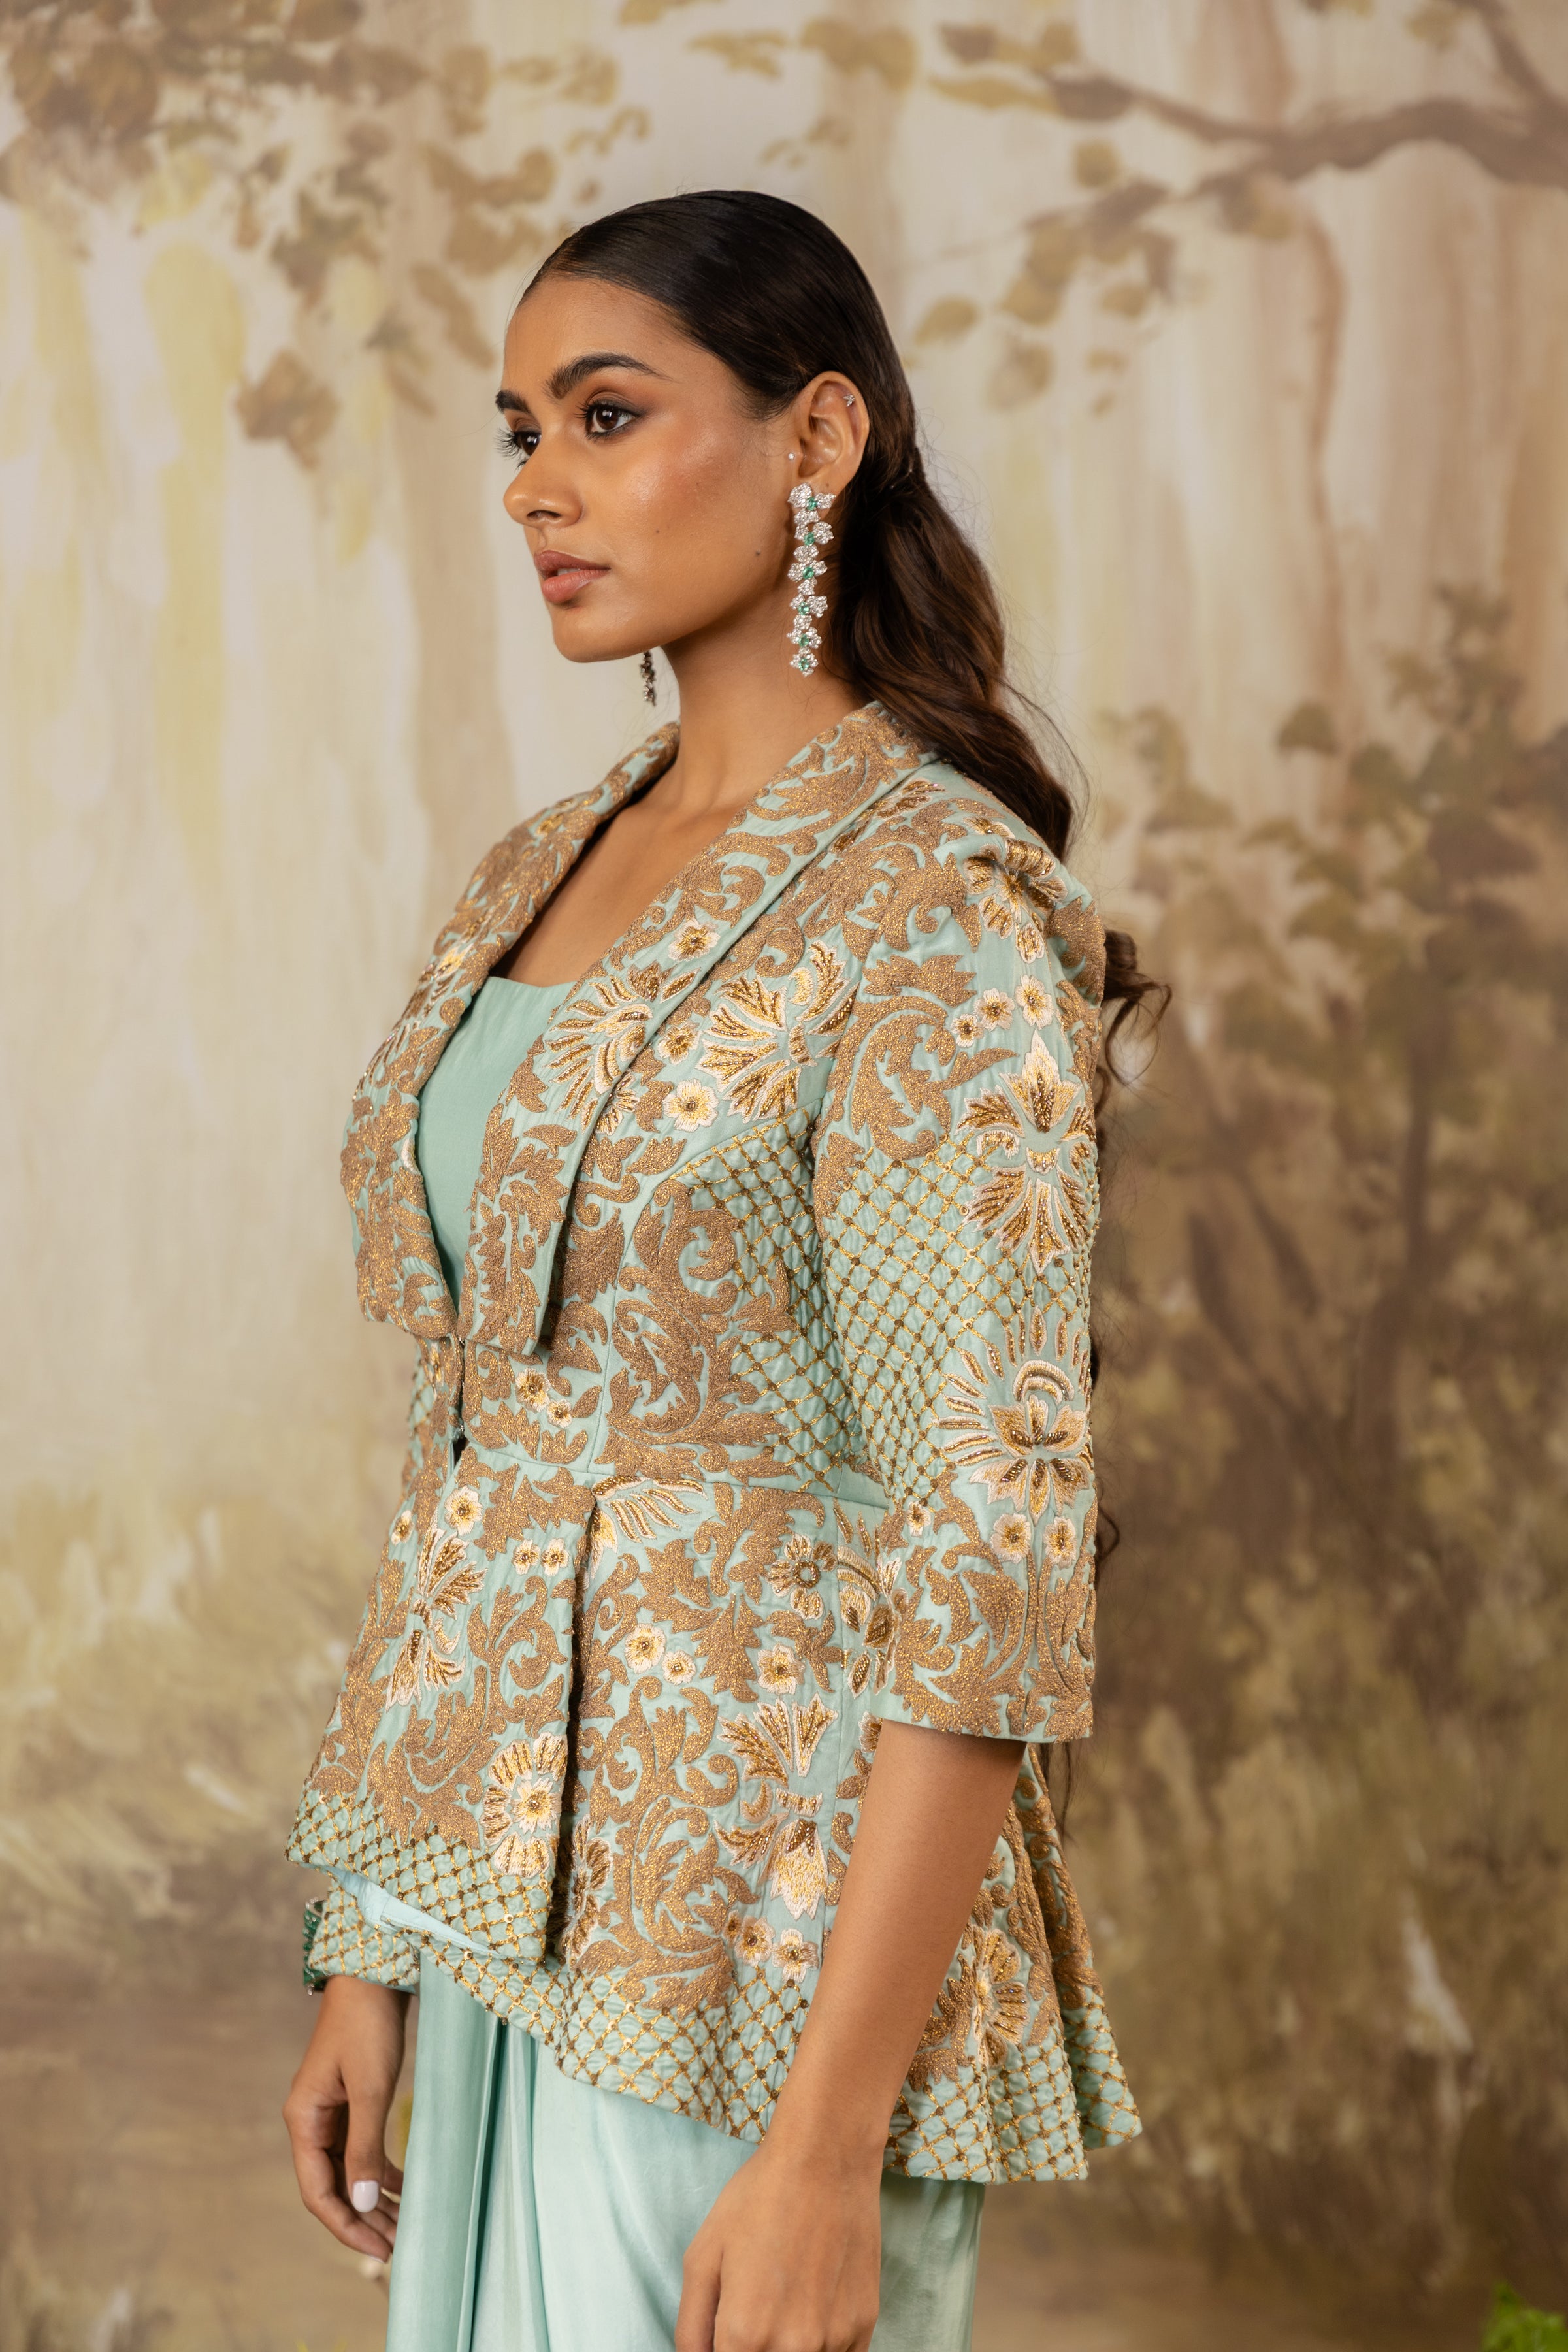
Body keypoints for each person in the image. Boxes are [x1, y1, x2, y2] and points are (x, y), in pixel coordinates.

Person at [282, 189, 1156, 2352]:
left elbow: (992, 1542)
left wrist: (828, 2148)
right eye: (520, 432)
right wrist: (373, 1936)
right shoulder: (541, 867)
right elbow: (477, 1448)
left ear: (818, 436)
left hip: (767, 1957)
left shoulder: (934, 903)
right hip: (495, 1919)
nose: (537, 488)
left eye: (606, 415)